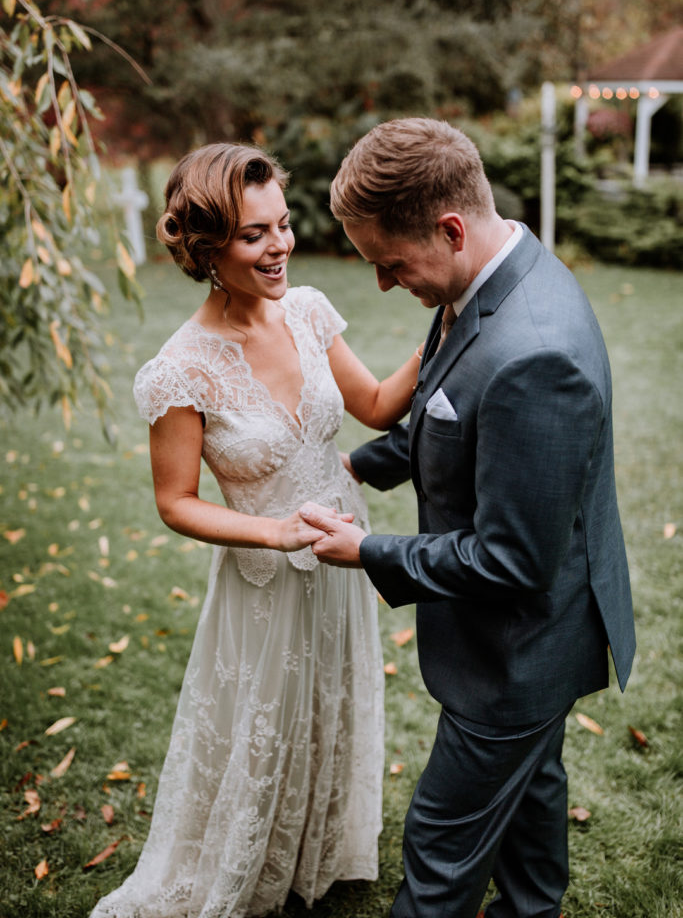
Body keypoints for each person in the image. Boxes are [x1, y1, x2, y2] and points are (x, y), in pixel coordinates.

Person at [300, 117, 636, 918]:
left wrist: (369, 551)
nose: (384, 284)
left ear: (450, 228)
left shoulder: (535, 352)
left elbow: (512, 561)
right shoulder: (490, 273)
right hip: (530, 643)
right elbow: (449, 412)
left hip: (519, 648)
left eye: (390, 264)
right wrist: (358, 466)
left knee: (440, 850)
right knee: (529, 804)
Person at [89, 142, 424, 918]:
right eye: (253, 235)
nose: (279, 247)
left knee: (329, 704)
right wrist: (271, 533)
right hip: (265, 581)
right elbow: (175, 501)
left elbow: (374, 404)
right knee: (261, 728)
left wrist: (445, 325)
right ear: (208, 250)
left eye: (280, 226)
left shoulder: (307, 309)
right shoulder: (182, 369)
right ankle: (242, 861)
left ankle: (317, 847)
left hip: (342, 555)